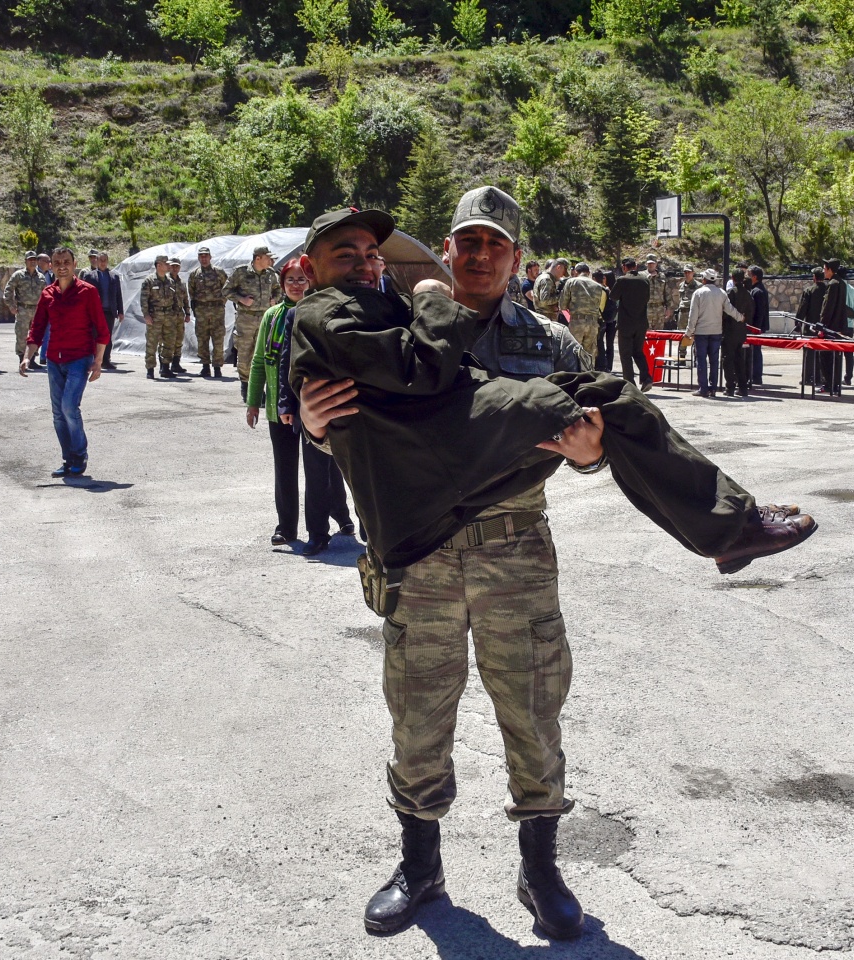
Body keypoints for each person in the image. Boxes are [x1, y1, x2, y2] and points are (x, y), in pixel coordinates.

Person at [289, 194, 816, 939]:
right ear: (447, 249)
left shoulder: (549, 339)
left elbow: (589, 444)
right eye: (467, 243)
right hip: (423, 557)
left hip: (514, 549)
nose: (479, 256)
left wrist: (592, 454)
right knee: (417, 717)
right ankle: (419, 865)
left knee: (533, 714)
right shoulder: (398, 313)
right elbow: (361, 418)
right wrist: (309, 424)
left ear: (516, 256)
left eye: (495, 245)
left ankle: (540, 869)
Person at [275, 284, 356, 558]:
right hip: (313, 408)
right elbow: (288, 362)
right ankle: (317, 534)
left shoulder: (360, 306)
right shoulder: (297, 313)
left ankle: (369, 529)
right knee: (316, 473)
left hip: (354, 403)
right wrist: (286, 403)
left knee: (362, 472)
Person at [19, 246, 109, 477]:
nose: (62, 267)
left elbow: (102, 329)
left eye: (66, 262)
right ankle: (68, 459)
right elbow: (37, 328)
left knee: (69, 406)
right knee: (58, 413)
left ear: (74, 264)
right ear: (51, 266)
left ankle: (80, 455)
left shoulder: (87, 292)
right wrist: (27, 356)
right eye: (57, 263)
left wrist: (98, 361)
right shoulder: (47, 294)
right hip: (54, 360)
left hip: (79, 358)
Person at [246, 261, 310, 547]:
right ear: (282, 284)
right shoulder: (272, 316)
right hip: (279, 407)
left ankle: (335, 518)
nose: (296, 284)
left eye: (301, 279)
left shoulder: (318, 310)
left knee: (323, 469)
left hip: (312, 406)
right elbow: (259, 360)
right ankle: (286, 527)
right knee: (284, 468)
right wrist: (253, 402)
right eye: (290, 280)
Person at [224, 245, 281, 397]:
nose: (270, 260)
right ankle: (246, 386)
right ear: (258, 258)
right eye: (267, 257)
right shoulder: (241, 272)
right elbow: (226, 290)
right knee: (245, 353)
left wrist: (275, 299)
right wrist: (241, 299)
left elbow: (278, 289)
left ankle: (259, 389)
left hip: (265, 318)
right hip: (246, 319)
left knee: (262, 353)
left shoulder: (271, 274)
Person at [687, 268, 742, 398]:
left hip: (701, 332)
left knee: (701, 361)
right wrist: (740, 317)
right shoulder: (722, 293)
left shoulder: (698, 293)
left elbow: (693, 315)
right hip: (716, 332)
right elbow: (730, 309)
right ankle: (713, 389)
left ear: (704, 279)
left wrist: (689, 331)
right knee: (714, 361)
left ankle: (703, 388)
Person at [609, 257, 653, 389]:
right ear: (636, 266)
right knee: (638, 351)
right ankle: (646, 378)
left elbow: (613, 296)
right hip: (641, 322)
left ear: (624, 267)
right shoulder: (645, 280)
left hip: (626, 323)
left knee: (625, 354)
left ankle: (629, 383)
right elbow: (647, 298)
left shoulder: (622, 280)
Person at [187, 245, 229, 378]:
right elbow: (191, 292)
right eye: (201, 256)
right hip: (201, 312)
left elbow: (227, 289)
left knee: (218, 339)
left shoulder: (219, 272)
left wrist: (221, 302)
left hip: (217, 311)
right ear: (198, 258)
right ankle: (205, 366)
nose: (204, 258)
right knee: (202, 339)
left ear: (210, 257)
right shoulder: (194, 274)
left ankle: (217, 368)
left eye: (206, 256)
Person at [140, 255, 183, 380]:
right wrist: (146, 315)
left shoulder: (170, 281)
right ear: (159, 265)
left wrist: (175, 313)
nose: (169, 266)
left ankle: (165, 368)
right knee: (152, 343)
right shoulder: (149, 281)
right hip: (154, 317)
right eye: (166, 264)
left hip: (169, 316)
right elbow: (144, 300)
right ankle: (150, 369)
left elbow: (175, 300)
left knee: (169, 342)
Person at [4, 251, 47, 369]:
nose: (32, 262)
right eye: (30, 259)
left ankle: (32, 359)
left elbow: (46, 294)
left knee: (36, 335)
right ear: (25, 261)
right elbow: (8, 290)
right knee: (21, 335)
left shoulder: (41, 277)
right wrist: (11, 306)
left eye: (34, 259)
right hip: (23, 309)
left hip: (37, 310)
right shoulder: (18, 275)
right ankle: (21, 358)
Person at [557, 261, 605, 357]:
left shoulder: (571, 282)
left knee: (573, 352)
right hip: (593, 323)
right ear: (588, 273)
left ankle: (575, 367)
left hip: (577, 322)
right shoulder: (598, 286)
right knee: (589, 355)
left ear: (576, 271)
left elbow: (562, 305)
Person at [817, 259, 849, 394]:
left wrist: (821, 326)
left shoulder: (832, 284)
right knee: (836, 358)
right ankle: (835, 384)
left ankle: (828, 384)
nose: (823, 271)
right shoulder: (841, 283)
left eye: (825, 268)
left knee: (825, 356)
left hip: (830, 327)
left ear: (830, 269)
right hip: (839, 326)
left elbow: (828, 307)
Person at [89, 252, 125, 371]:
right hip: (95, 312)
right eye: (101, 260)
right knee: (94, 335)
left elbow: (118, 294)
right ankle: (93, 359)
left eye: (105, 260)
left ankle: (106, 360)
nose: (103, 263)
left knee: (107, 337)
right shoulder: (90, 276)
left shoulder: (114, 276)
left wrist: (120, 311)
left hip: (109, 311)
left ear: (108, 261)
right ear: (97, 261)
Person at [724, 267, 753, 397]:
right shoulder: (747, 294)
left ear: (733, 278)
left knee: (728, 360)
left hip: (729, 330)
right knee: (739, 359)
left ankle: (730, 387)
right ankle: (743, 387)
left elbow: (725, 311)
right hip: (741, 331)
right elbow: (750, 313)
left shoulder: (731, 293)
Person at [166, 254, 191, 374]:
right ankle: (165, 364)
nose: (175, 268)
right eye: (172, 266)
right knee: (167, 340)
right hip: (168, 315)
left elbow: (185, 299)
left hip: (179, 315)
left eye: (177, 266)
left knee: (178, 340)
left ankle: (176, 363)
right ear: (168, 267)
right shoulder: (165, 281)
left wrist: (187, 313)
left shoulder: (181, 283)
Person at [747, 265, 769, 385]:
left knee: (755, 351)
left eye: (749, 275)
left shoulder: (758, 291)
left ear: (754, 277)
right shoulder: (756, 289)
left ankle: (756, 376)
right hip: (755, 327)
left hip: (755, 327)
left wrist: (755, 328)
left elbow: (759, 312)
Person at [595, 269, 618, 373]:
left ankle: (608, 365)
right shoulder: (604, 289)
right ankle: (605, 364)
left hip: (611, 321)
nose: (602, 279)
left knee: (608, 343)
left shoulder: (610, 290)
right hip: (607, 319)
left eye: (604, 277)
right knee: (602, 342)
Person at [644, 258, 673, 331]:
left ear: (656, 264)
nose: (651, 265)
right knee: (646, 332)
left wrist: (668, 308)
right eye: (649, 263)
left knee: (659, 332)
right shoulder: (642, 275)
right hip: (646, 309)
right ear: (646, 264)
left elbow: (667, 293)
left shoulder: (662, 276)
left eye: (652, 263)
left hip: (659, 309)